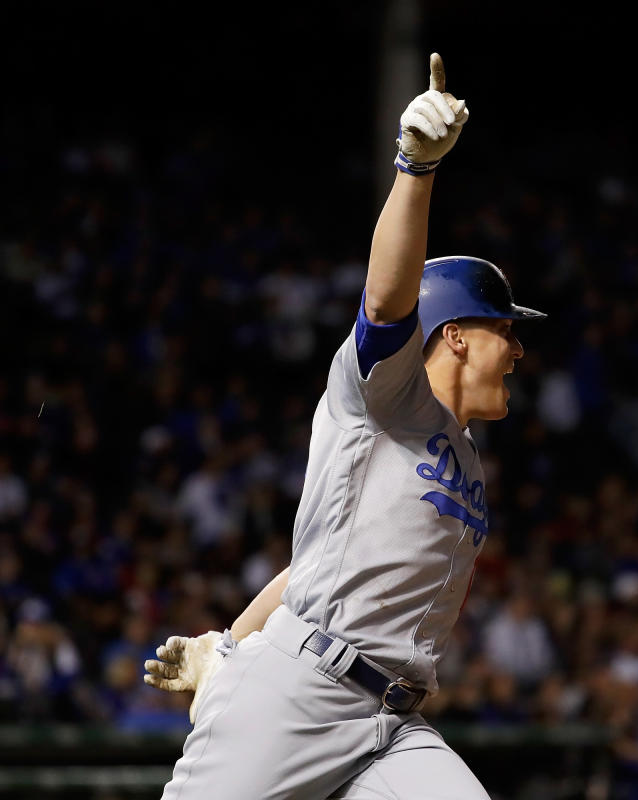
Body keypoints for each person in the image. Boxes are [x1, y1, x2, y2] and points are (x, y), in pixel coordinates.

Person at [143, 53, 545, 799]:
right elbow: (388, 303)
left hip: (393, 724)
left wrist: (224, 642)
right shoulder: (387, 394)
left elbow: (317, 562)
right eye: (504, 330)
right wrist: (414, 171)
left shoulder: (464, 454)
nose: (518, 348)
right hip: (300, 697)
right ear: (454, 333)